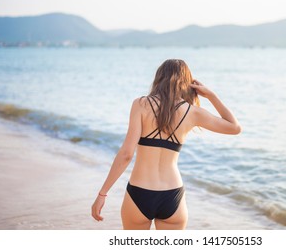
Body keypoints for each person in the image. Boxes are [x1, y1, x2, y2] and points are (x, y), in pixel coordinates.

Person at [91, 59, 241, 230]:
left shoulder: (141, 104)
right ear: (187, 83)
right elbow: (234, 128)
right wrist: (212, 96)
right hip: (173, 195)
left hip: (139, 192)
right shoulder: (193, 113)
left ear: (159, 78)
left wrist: (102, 193)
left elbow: (126, 154)